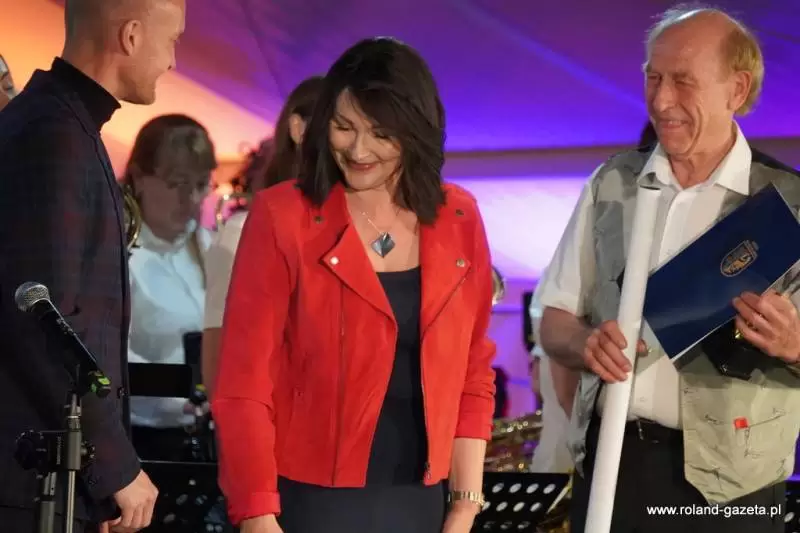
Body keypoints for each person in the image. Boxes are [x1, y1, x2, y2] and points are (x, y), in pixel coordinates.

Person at [212, 37, 497, 533]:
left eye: (381, 134)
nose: (359, 150)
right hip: (310, 501)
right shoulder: (283, 216)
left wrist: (464, 506)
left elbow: (473, 370)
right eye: (344, 127)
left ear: (416, 131)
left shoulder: (459, 216)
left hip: (423, 502)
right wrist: (258, 516)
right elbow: (243, 383)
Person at [538, 7, 798, 533]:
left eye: (682, 81)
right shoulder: (611, 184)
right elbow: (554, 320)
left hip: (735, 493)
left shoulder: (789, 204)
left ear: (736, 89)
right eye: (653, 78)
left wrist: (794, 344)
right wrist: (585, 342)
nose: (660, 100)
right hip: (613, 472)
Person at [0, 0, 185, 531]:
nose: (173, 60)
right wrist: (115, 469)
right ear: (131, 36)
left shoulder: (65, 125)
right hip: (31, 488)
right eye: (172, 40)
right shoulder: (52, 135)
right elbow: (43, 322)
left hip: (56, 478)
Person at [202, 75, 323, 396]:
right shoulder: (242, 233)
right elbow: (218, 365)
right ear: (299, 132)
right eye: (342, 127)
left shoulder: (366, 232)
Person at [122, 114, 216, 459]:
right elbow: (109, 357)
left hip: (209, 437)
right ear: (139, 178)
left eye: (201, 184)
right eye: (177, 184)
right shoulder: (119, 256)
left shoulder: (211, 247)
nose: (191, 198)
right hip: (145, 442)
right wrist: (180, 398)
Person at [528, 276, 577, 474]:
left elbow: (537, 382)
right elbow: (565, 394)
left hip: (557, 432)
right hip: (569, 438)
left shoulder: (550, 282)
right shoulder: (565, 282)